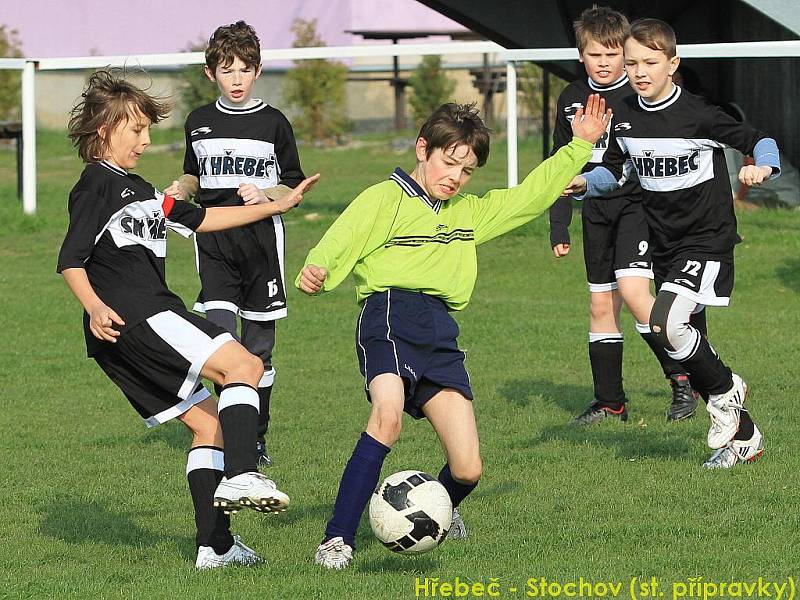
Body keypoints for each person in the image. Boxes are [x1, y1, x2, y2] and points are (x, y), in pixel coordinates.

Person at [297, 98, 611, 569]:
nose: (455, 177)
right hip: (390, 315)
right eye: (449, 162)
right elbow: (343, 236)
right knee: (387, 418)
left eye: (466, 171)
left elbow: (529, 196)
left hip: (440, 332)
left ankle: (438, 511)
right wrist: (317, 266)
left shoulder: (467, 212)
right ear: (423, 149)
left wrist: (580, 145)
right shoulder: (386, 197)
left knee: (468, 469)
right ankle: (337, 539)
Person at [58, 70, 317, 568]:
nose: (146, 139)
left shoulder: (142, 191)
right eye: (135, 129)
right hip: (139, 313)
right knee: (245, 366)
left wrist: (276, 206)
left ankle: (214, 546)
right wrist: (93, 305)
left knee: (210, 426)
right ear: (103, 131)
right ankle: (244, 473)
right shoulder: (97, 184)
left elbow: (201, 218)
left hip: (121, 334)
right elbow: (71, 258)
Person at [570, 18, 779, 468]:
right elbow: (616, 169)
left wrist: (762, 168)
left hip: (705, 241)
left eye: (650, 62)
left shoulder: (697, 114)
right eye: (633, 63)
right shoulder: (623, 112)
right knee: (690, 341)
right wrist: (585, 182)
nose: (640, 71)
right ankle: (743, 439)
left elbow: (759, 140)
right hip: (663, 242)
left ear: (672, 63)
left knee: (664, 323)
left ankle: (728, 391)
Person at [165, 21, 305, 468]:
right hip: (215, 247)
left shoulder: (273, 123)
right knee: (223, 343)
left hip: (262, 247)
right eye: (228, 70)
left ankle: (257, 435)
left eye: (245, 69)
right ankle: (232, 438)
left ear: (259, 70)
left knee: (259, 351)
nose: (237, 78)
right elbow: (193, 176)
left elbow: (294, 188)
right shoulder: (199, 123)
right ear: (211, 74)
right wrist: (179, 192)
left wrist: (267, 196)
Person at [549, 6, 698, 426]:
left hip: (635, 207)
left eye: (613, 54)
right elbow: (560, 164)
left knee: (635, 297)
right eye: (594, 54)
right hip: (594, 211)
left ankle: (683, 377)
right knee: (600, 305)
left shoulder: (637, 97)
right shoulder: (570, 98)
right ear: (581, 55)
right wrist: (558, 224)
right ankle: (610, 402)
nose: (604, 62)